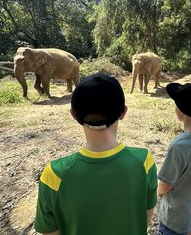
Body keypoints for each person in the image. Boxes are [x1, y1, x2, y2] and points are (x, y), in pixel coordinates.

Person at [34, 73, 158, 235]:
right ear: (123, 113)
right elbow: (146, 219)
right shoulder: (144, 162)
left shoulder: (54, 174)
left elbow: (50, 232)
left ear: (74, 115)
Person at [158, 83, 191, 235]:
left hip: (175, 216)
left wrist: (160, 191)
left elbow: (165, 184)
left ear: (180, 111)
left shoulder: (178, 146)